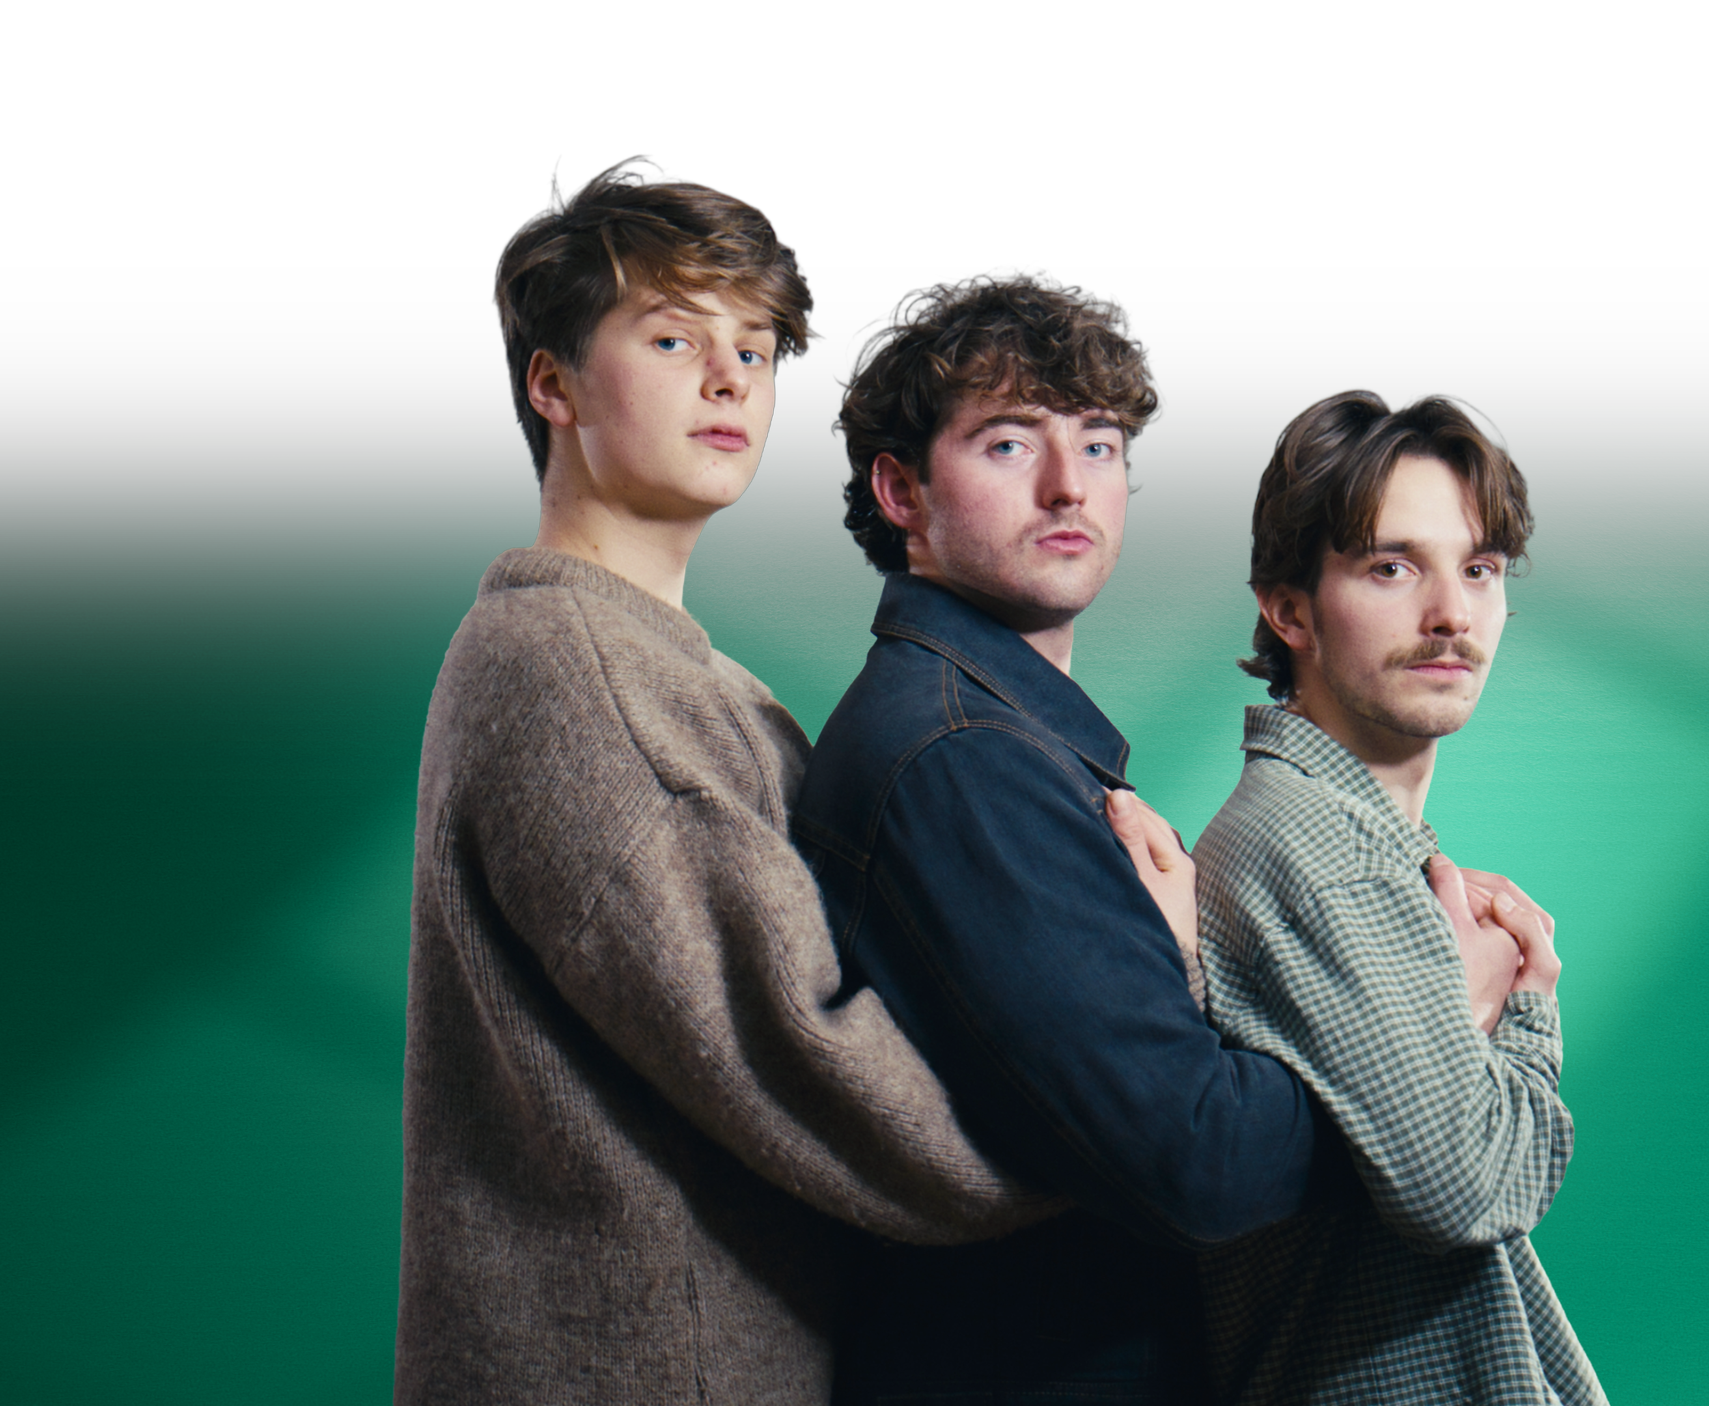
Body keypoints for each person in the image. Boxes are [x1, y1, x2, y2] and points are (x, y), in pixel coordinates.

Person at [396, 170, 1166, 1405]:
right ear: (552, 384)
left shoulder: (699, 680)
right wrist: (1124, 1123)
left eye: (752, 348)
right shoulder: (570, 669)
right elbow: (799, 1050)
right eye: (671, 339)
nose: (728, 380)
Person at [791, 274, 1346, 1405]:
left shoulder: (1002, 734)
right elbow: (1205, 1160)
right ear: (900, 488)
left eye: (1097, 443)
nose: (1066, 486)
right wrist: (1432, 1027)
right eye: (1007, 444)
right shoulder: (962, 759)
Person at [1192, 390, 1603, 1405]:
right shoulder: (1315, 847)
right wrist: (1518, 1014)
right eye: (1390, 567)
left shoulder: (1365, 843)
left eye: (1479, 569)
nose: (1451, 615)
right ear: (1289, 607)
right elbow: (1468, 1187)